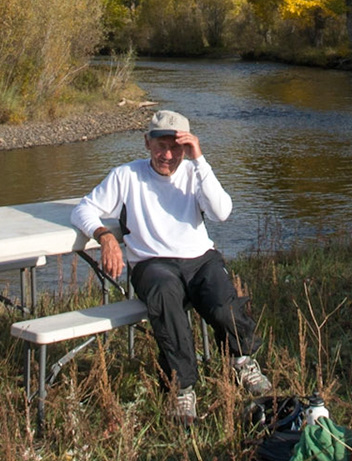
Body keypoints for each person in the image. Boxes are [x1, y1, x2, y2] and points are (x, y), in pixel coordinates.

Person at [71, 108, 272, 422]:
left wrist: (200, 160)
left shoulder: (195, 173)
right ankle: (183, 388)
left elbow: (222, 213)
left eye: (176, 147)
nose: (167, 154)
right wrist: (105, 237)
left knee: (223, 305)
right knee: (166, 300)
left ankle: (241, 361)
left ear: (187, 147)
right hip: (153, 263)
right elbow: (84, 209)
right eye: (160, 145)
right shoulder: (127, 175)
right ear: (146, 143)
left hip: (200, 259)